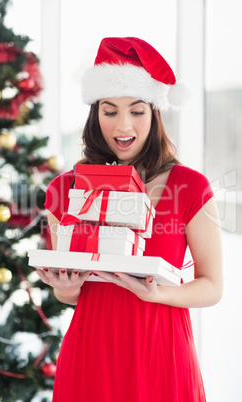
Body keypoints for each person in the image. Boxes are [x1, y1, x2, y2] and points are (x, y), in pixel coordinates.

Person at [36, 37, 223, 401]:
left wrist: (159, 294)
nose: (123, 125)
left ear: (154, 113)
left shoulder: (190, 187)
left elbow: (213, 286)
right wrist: (66, 288)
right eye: (110, 111)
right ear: (95, 114)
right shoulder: (64, 191)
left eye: (137, 111)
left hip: (162, 354)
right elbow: (69, 291)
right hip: (91, 354)